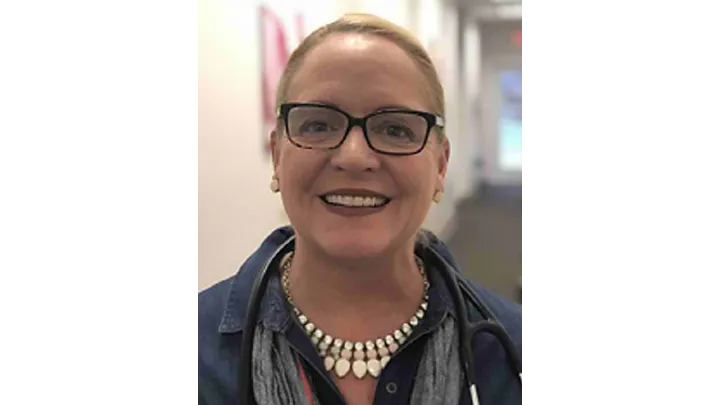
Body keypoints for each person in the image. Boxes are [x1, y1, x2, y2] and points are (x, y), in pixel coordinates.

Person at [195, 13, 525, 405]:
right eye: (318, 125)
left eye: (395, 129)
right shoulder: (200, 346)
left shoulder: (513, 349)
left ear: (440, 166)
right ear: (277, 156)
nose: (354, 157)